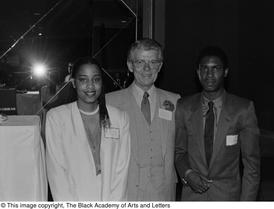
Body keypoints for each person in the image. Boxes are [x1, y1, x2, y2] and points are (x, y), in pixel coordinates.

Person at [175, 46, 260, 201]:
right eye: (204, 69)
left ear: (225, 72)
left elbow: (252, 166)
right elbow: (179, 152)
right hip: (193, 198)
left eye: (216, 68)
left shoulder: (243, 109)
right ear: (198, 72)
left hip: (228, 197)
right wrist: (187, 174)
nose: (209, 75)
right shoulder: (184, 107)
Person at [46, 57, 131, 201]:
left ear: (101, 83)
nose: (90, 86)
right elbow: (57, 172)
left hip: (112, 198)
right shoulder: (57, 118)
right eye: (83, 80)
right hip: (73, 198)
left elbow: (122, 170)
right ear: (73, 83)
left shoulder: (119, 118)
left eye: (96, 79)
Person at [106, 38, 180, 201]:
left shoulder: (175, 101)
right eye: (140, 62)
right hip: (124, 192)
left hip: (164, 193)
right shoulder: (109, 102)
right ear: (130, 66)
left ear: (160, 66)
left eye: (153, 62)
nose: (147, 68)